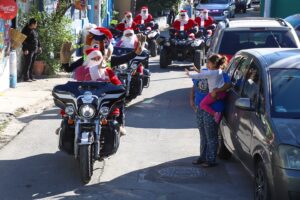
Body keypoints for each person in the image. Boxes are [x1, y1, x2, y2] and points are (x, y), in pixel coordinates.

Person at [189, 58, 231, 168]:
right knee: (203, 134)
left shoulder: (220, 73)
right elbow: (195, 84)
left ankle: (211, 159)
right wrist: (192, 99)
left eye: (209, 62)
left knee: (211, 135)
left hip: (213, 108)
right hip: (200, 107)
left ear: (214, 63)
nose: (206, 64)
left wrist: (217, 91)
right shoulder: (204, 71)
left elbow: (228, 85)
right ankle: (202, 157)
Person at [60, 27, 146, 73]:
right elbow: (69, 70)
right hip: (85, 94)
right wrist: (65, 62)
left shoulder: (107, 60)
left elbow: (123, 59)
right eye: (94, 43)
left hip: (103, 94)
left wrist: (135, 53)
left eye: (101, 43)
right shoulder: (86, 59)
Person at [186, 54, 228, 123]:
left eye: (208, 63)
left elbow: (199, 76)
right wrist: (197, 70)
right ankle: (216, 109)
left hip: (214, 94)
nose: (207, 64)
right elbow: (205, 73)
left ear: (214, 64)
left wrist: (189, 74)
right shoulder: (220, 71)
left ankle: (216, 114)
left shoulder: (210, 73)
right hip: (222, 94)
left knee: (202, 104)